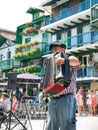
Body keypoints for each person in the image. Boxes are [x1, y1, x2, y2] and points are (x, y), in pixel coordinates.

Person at [44, 43, 80, 130]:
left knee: (67, 126)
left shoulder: (70, 59)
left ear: (63, 49)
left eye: (56, 48)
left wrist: (64, 60)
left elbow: (76, 61)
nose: (54, 50)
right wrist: (42, 86)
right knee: (50, 126)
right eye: (53, 49)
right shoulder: (51, 64)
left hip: (66, 98)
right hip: (52, 100)